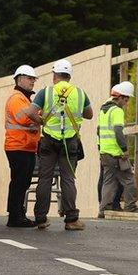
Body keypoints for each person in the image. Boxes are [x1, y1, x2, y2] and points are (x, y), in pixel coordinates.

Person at [27, 58, 93, 231]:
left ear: (54, 75)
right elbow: (89, 114)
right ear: (69, 76)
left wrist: (41, 121)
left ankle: (41, 218)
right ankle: (71, 219)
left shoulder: (46, 92)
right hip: (70, 141)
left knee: (45, 178)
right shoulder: (79, 93)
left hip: (48, 140)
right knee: (68, 179)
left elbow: (30, 112)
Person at [97, 81, 138, 218]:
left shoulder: (104, 110)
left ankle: (103, 209)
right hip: (116, 153)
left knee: (108, 181)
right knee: (129, 179)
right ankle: (131, 207)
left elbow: (99, 131)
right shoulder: (117, 111)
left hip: (105, 152)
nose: (127, 102)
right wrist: (124, 149)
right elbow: (118, 131)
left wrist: (101, 148)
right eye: (126, 99)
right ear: (121, 97)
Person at [4, 65, 41, 227]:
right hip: (18, 147)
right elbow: (24, 118)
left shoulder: (25, 99)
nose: (33, 81)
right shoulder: (17, 98)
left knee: (22, 182)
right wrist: (39, 116)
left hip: (25, 147)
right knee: (19, 182)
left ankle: (18, 214)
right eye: (30, 78)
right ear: (20, 79)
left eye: (34, 79)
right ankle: (15, 217)